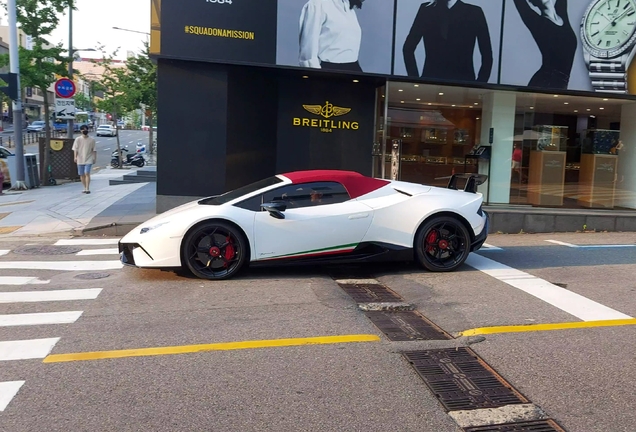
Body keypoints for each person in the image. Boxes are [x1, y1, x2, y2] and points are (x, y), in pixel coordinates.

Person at [402, 0, 492, 82]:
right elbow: (408, 48)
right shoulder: (427, 10)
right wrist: (415, 80)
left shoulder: (474, 12)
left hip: (463, 83)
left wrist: (480, 84)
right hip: (431, 82)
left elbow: (487, 54)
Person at [513, 0, 576, 89]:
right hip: (545, 82)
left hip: (560, 83)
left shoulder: (562, 13)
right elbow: (521, 4)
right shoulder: (536, 22)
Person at [299, 0, 365, 72]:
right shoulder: (317, 4)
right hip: (328, 70)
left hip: (352, 69)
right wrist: (315, 75)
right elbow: (308, 51)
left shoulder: (349, 9)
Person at [72, 125, 97, 194]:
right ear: (81, 131)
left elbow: (94, 150)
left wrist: (94, 158)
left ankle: (87, 188)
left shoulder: (92, 140)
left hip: (89, 158)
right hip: (80, 159)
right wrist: (75, 157)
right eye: (83, 130)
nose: (85, 131)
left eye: (86, 129)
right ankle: (85, 187)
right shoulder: (78, 139)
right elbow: (75, 149)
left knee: (87, 173)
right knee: (81, 174)